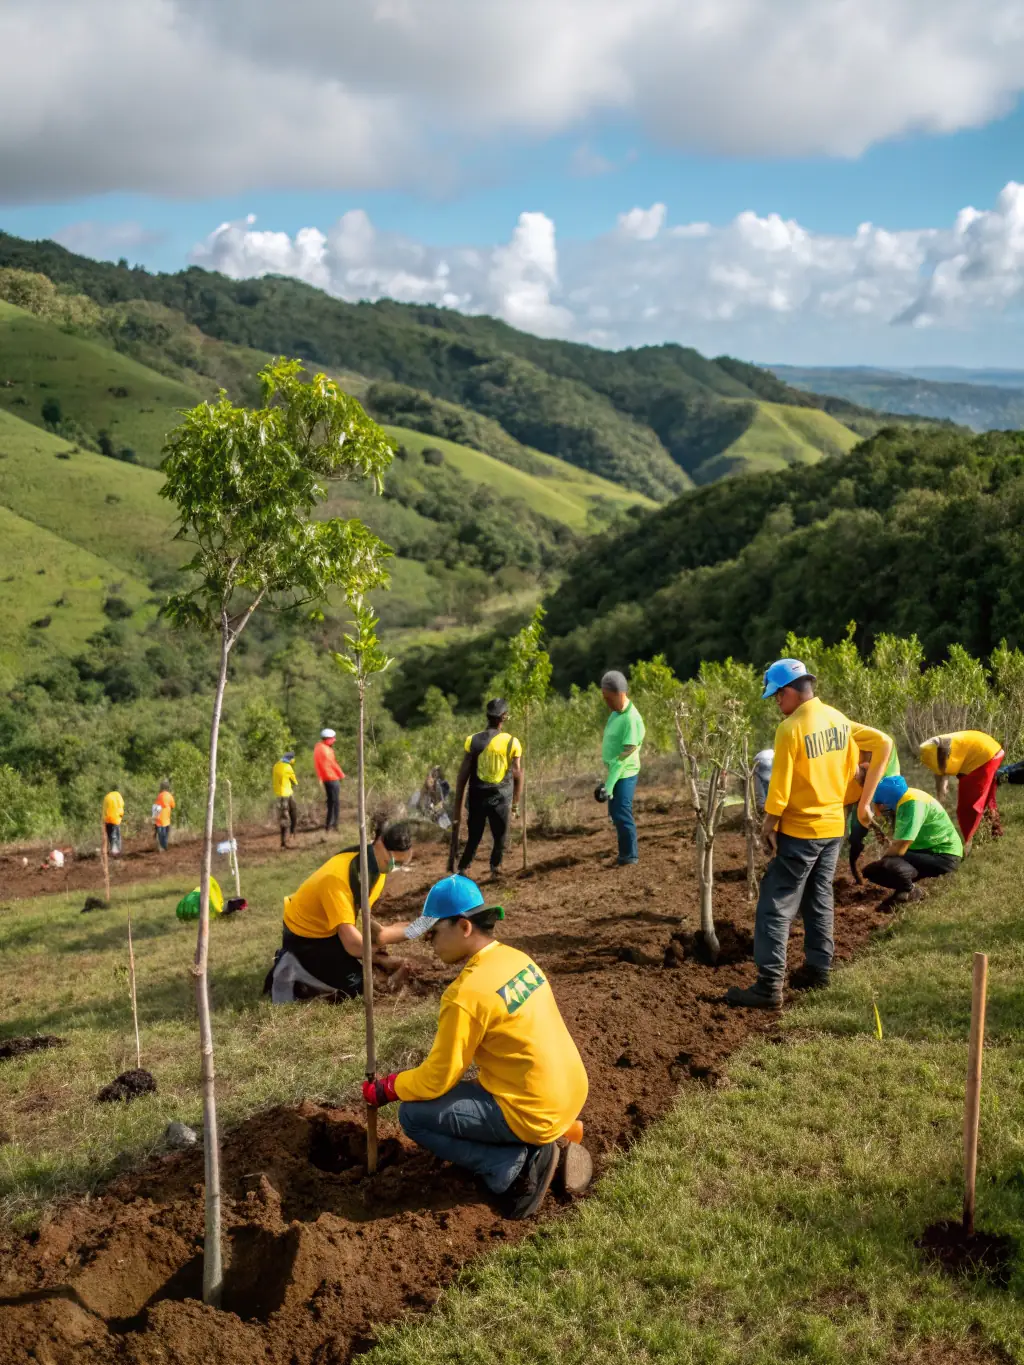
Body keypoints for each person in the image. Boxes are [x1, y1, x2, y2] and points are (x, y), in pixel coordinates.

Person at [362, 874, 592, 1219]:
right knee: (475, 1088)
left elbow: (437, 1079)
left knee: (413, 1114)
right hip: (571, 1091)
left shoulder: (465, 995)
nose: (429, 944)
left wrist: (389, 1088)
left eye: (433, 934)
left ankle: (509, 1166)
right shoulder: (518, 959)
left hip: (533, 1107)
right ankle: (550, 1136)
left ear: (464, 927)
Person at [727, 659, 892, 1009]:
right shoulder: (839, 719)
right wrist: (863, 803)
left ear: (788, 692)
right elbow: (884, 742)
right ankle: (819, 970)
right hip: (834, 828)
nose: (776, 703)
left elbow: (780, 789)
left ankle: (768, 987)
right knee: (818, 897)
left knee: (775, 904)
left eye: (776, 696)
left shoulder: (790, 729)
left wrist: (767, 826)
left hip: (801, 831)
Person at [265, 818, 416, 1003]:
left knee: (363, 965)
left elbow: (359, 921)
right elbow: (353, 944)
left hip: (330, 931)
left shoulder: (376, 869)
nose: (394, 868)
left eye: (401, 864)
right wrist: (379, 947)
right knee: (361, 989)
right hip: (306, 937)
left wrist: (384, 944)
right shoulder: (338, 877)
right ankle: (291, 966)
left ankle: (321, 969)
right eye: (393, 861)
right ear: (378, 843)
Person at [861, 775, 963, 910]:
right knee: (873, 870)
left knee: (886, 865)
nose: (878, 808)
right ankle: (903, 890)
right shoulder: (906, 799)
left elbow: (901, 847)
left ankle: (911, 890)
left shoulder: (912, 804)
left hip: (944, 856)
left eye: (879, 803)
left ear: (886, 801)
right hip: (926, 852)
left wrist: (884, 860)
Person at [453, 699, 523, 879]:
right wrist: (515, 804)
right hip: (501, 797)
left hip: (476, 796)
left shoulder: (473, 740)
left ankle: (464, 868)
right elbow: (517, 774)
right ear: (504, 717)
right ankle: (495, 868)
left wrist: (458, 804)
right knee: (500, 835)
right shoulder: (512, 742)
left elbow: (463, 775)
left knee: (474, 835)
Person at [918, 731, 1004, 853]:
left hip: (984, 755)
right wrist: (941, 796)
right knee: (986, 797)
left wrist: (941, 796)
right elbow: (941, 774)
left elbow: (942, 773)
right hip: (990, 749)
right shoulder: (933, 748)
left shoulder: (938, 751)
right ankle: (995, 831)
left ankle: (967, 843)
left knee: (968, 806)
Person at [597, 670, 646, 867]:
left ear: (619, 693)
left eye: (608, 698)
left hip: (625, 773)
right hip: (616, 772)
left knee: (622, 812)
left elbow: (624, 756)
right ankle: (624, 854)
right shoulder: (616, 713)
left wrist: (608, 786)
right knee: (615, 814)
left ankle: (630, 857)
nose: (606, 702)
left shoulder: (631, 719)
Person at [846, 729, 900, 884]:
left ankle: (894, 868)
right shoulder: (853, 748)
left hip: (884, 790)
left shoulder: (888, 778)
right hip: (860, 790)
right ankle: (855, 868)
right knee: (857, 833)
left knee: (893, 829)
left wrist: (879, 828)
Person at [314, 728, 345, 833]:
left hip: (325, 779)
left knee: (330, 802)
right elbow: (333, 764)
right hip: (332, 778)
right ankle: (334, 825)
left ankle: (329, 824)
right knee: (335, 802)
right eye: (333, 738)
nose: (334, 740)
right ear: (328, 739)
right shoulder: (327, 750)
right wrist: (341, 774)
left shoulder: (318, 748)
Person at [273, 750, 299, 849]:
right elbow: (295, 782)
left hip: (279, 794)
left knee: (285, 816)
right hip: (286, 794)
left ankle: (287, 838)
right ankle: (286, 840)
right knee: (289, 816)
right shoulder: (288, 768)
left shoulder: (276, 765)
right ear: (291, 759)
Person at [152, 781, 174, 852]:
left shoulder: (159, 796)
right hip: (166, 819)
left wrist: (154, 819)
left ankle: (163, 847)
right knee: (165, 834)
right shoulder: (169, 796)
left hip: (159, 819)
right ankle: (164, 846)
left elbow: (155, 808)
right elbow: (173, 806)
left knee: (161, 834)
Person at [103, 788, 124, 857]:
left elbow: (104, 809)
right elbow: (121, 806)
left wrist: (103, 819)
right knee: (116, 835)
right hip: (116, 818)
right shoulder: (118, 796)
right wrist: (121, 815)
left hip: (107, 819)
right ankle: (117, 850)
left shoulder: (106, 797)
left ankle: (113, 849)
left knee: (110, 835)